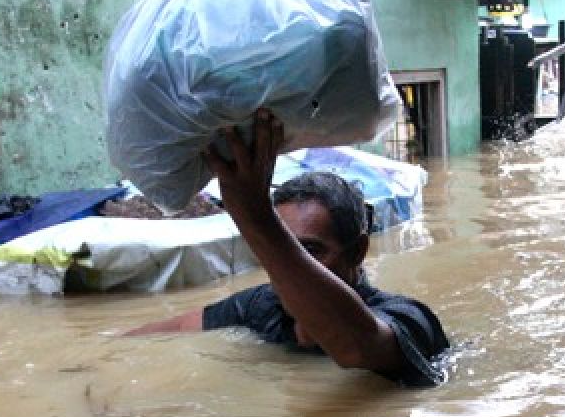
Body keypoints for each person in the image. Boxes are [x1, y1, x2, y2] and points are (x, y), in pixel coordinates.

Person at [124, 109, 449, 388]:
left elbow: (355, 349)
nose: (288, 264)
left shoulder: (410, 319)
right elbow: (180, 326)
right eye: (283, 248)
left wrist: (255, 218)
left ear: (357, 252)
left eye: (312, 250)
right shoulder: (264, 305)